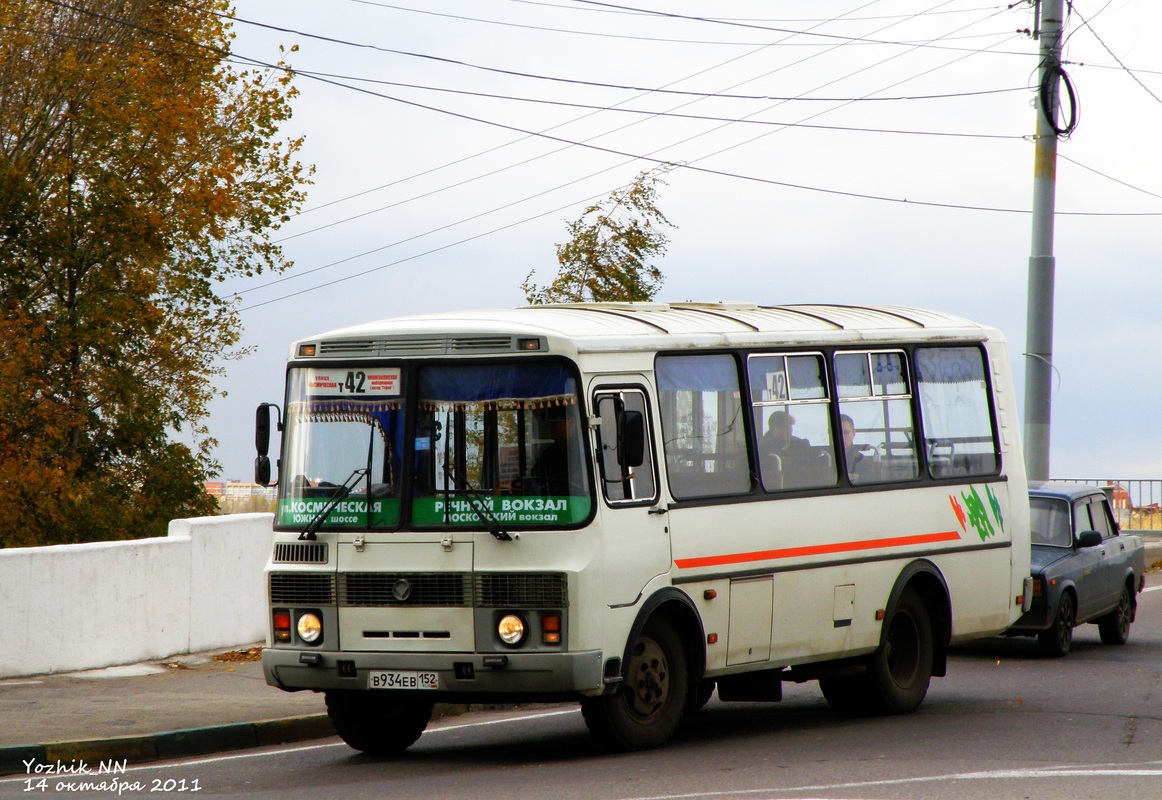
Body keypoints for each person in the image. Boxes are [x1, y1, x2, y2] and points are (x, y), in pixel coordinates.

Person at [840, 413, 876, 483]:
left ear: (854, 433)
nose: (842, 437)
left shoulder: (864, 463)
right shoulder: (822, 462)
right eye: (838, 433)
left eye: (846, 432)